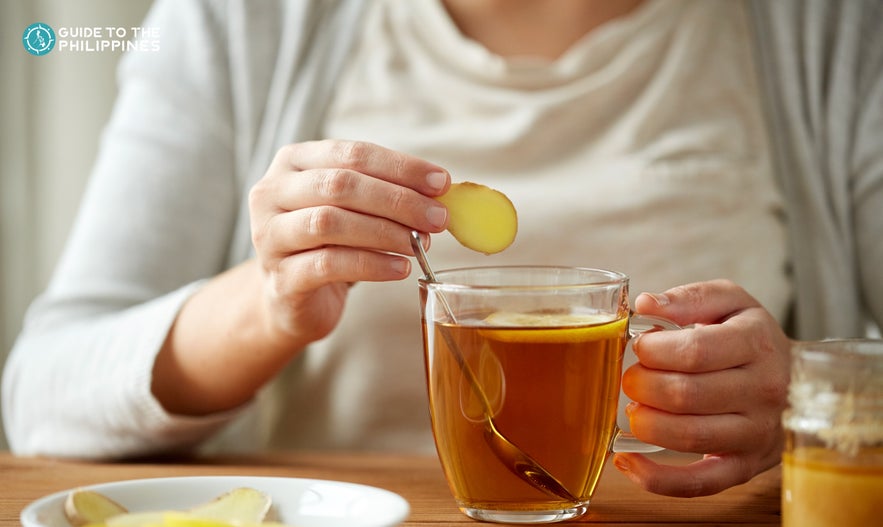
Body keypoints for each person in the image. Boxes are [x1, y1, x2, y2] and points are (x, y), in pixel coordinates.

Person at [3, 0, 881, 500]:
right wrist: (268, 300)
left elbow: (832, 394)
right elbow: (41, 396)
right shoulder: (241, 21)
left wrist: (814, 396)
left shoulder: (830, 33)